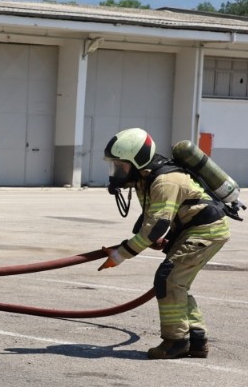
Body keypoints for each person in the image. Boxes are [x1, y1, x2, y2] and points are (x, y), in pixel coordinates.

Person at [98, 127, 230, 359]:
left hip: (206, 231)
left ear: (137, 161)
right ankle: (197, 340)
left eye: (120, 165)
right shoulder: (144, 179)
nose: (117, 171)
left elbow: (154, 228)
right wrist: (153, 238)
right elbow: (152, 221)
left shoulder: (164, 182)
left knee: (168, 280)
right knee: (176, 283)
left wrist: (119, 255)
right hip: (191, 230)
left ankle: (176, 341)